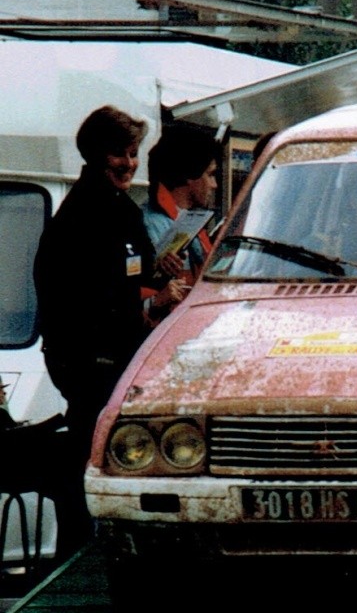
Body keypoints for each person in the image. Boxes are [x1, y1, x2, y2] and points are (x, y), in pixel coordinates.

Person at [33, 106, 178, 546]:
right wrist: (148, 311)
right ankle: (84, 553)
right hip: (90, 362)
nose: (129, 164)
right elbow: (89, 301)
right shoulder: (81, 218)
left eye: (134, 154)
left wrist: (160, 275)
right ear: (96, 155)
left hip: (115, 359)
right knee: (93, 456)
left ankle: (102, 547)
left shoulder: (120, 208)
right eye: (120, 154)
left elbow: (138, 273)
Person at [141, 123, 221, 316]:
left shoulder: (190, 222)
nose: (214, 185)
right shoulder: (150, 224)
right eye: (210, 175)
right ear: (189, 175)